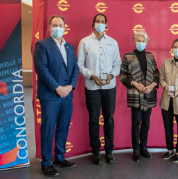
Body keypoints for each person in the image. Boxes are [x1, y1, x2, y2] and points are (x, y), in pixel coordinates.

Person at [33, 15, 79, 177]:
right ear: (49, 27)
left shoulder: (70, 47)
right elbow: (41, 69)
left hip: (67, 95)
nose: (58, 27)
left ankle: (59, 157)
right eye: (55, 25)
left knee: (63, 128)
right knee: (48, 129)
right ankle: (46, 162)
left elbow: (75, 68)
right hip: (50, 95)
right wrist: (57, 88)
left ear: (65, 27)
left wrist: (70, 86)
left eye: (61, 25)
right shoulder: (42, 45)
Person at [77, 13, 121, 165]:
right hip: (92, 87)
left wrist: (111, 76)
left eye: (103, 22)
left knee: (109, 120)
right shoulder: (85, 42)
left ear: (106, 25)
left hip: (110, 86)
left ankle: (109, 151)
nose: (100, 24)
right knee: (94, 120)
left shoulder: (113, 43)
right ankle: (96, 151)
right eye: (98, 21)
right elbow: (80, 65)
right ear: (93, 24)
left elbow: (117, 64)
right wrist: (91, 75)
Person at [119, 31, 160, 162]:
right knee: (136, 123)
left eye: (143, 40)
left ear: (147, 42)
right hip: (135, 95)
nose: (140, 43)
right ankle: (136, 150)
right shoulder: (128, 56)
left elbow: (157, 74)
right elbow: (122, 76)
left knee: (146, 123)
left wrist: (152, 85)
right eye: (138, 40)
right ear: (134, 41)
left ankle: (143, 148)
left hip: (149, 94)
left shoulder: (150, 56)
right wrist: (134, 83)